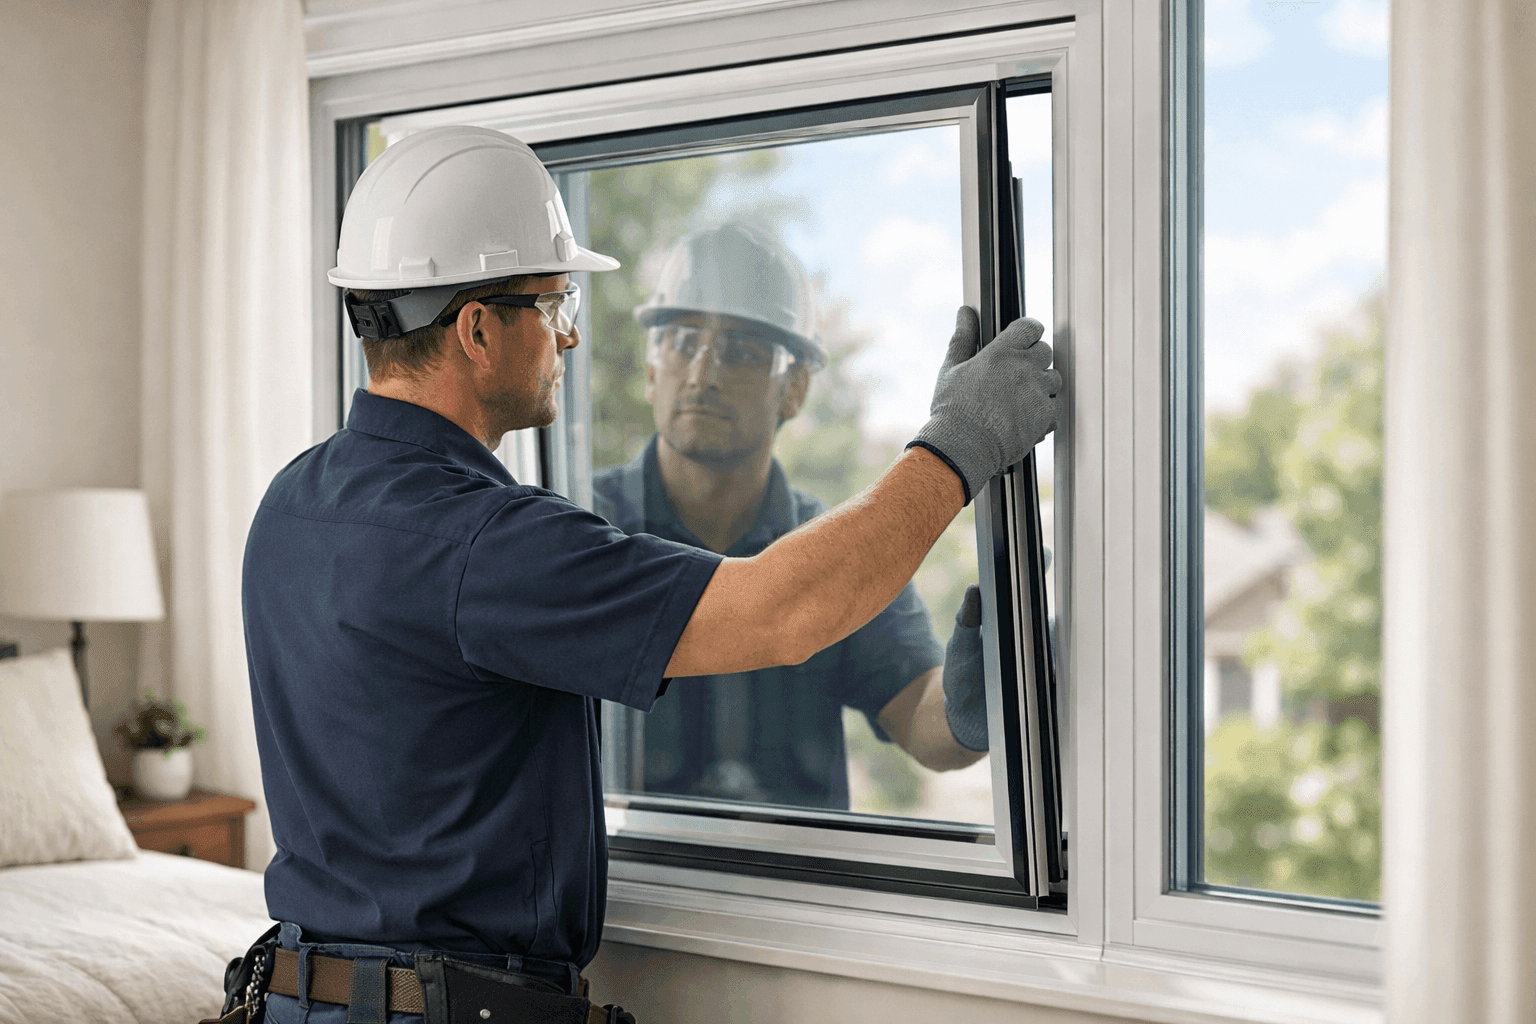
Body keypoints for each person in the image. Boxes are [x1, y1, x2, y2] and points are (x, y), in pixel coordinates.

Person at [238, 126, 1059, 1024]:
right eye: (553, 304)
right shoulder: (494, 542)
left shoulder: (293, 502)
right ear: (477, 329)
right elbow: (782, 609)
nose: (572, 333)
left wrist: (982, 702)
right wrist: (958, 446)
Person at [594, 223, 988, 810]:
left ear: (795, 390)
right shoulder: (585, 530)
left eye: (741, 351)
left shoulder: (835, 551)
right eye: (681, 342)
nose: (703, 371)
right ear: (652, 371)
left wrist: (974, 702)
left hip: (801, 894)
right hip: (630, 891)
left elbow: (919, 716)